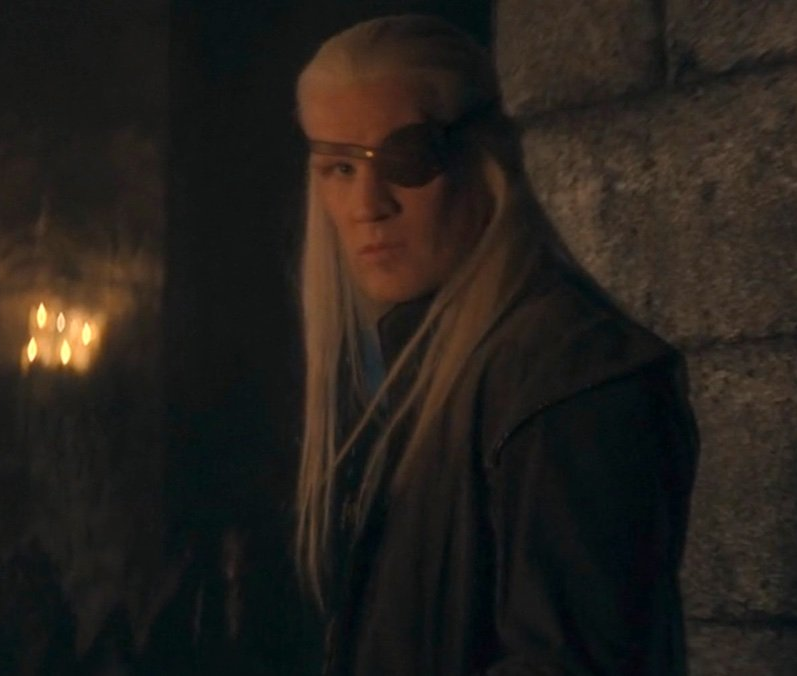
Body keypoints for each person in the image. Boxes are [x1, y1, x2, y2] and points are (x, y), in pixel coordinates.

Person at [292, 15, 699, 675]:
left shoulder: (568, 378)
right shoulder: (420, 372)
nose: (368, 204)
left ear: (483, 159)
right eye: (339, 167)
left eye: (408, 158)